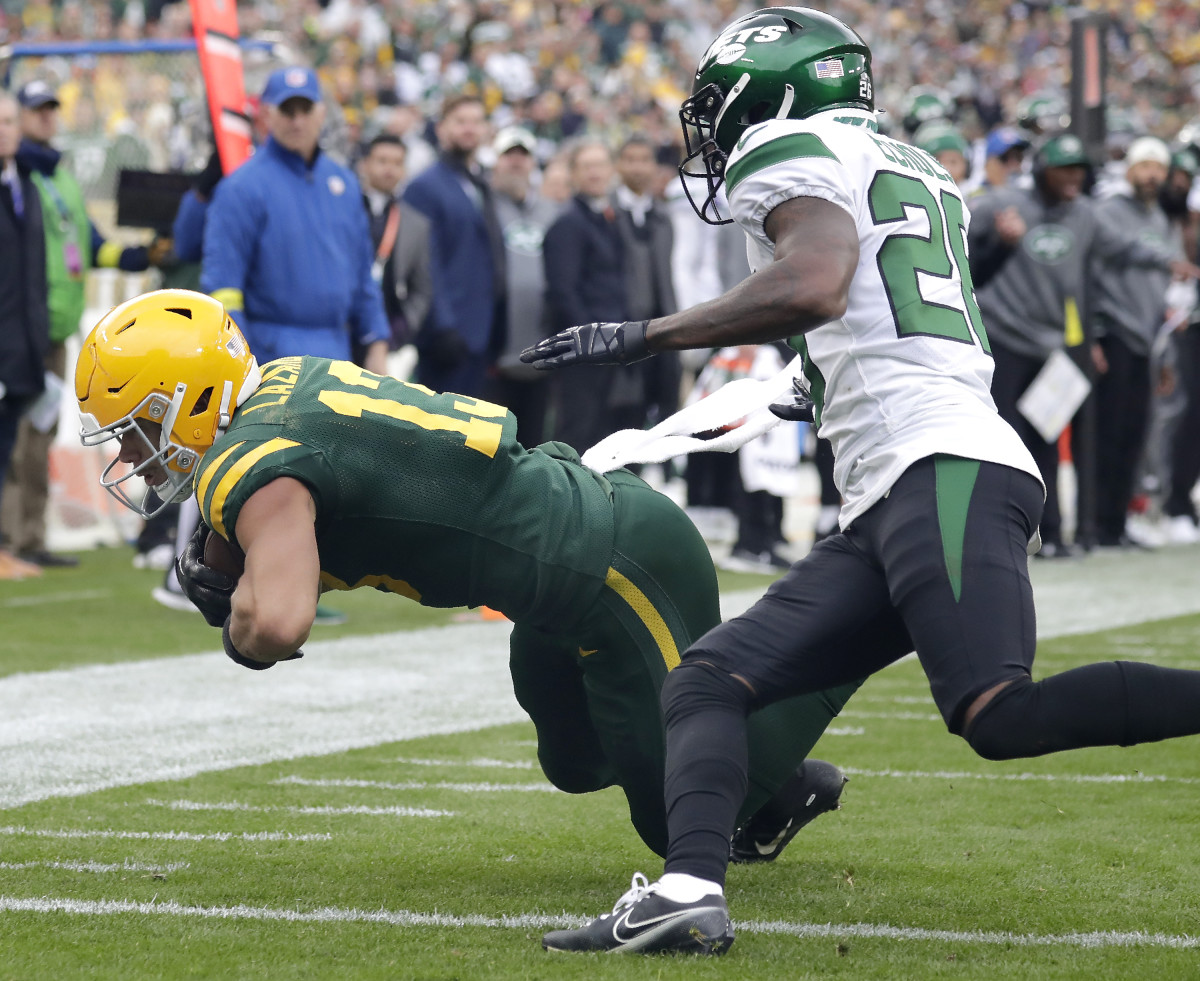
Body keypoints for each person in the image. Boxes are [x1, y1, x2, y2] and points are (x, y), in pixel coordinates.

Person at [522, 6, 1200, 955]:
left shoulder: (789, 149)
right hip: (902, 485)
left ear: (776, 94)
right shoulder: (916, 167)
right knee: (708, 680)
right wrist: (800, 389)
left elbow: (816, 285)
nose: (713, 131)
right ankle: (686, 892)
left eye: (720, 106)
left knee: (997, 710)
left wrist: (642, 335)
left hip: (941, 468)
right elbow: (881, 321)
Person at [74, 287, 861, 866]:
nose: (132, 453)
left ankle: (856, 626)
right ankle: (773, 785)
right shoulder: (282, 385)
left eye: (139, 426)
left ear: (191, 398)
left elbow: (278, 623)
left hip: (609, 564)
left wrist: (237, 629)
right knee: (574, 759)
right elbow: (352, 506)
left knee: (673, 818)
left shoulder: (249, 460)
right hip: (565, 573)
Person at [970, 133, 1199, 556]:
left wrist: (1169, 261)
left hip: (1052, 342)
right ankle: (1005, 536)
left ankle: (1053, 534)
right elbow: (963, 246)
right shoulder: (1002, 204)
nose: (1073, 178)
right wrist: (997, 240)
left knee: (1046, 441)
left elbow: (1124, 247)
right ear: (1043, 170)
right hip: (1004, 338)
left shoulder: (1085, 215)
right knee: (1007, 442)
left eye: (1079, 171)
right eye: (1064, 170)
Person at [1, 80, 158, 569]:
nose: (46, 118)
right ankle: (10, 540)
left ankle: (28, 537)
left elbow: (90, 244)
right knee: (15, 438)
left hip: (53, 328)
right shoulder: (20, 177)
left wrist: (140, 255)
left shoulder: (59, 177)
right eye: (35, 111)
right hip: (20, 325)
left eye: (51, 109)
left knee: (37, 436)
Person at [202, 67, 390, 376]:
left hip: (337, 357)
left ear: (322, 113)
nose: (297, 121)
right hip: (271, 361)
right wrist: (241, 365)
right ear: (267, 114)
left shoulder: (344, 184)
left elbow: (362, 276)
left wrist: (376, 342)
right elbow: (222, 287)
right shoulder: (241, 188)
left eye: (306, 109)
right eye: (287, 110)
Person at [1089, 137, 1178, 548]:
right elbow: (1111, 244)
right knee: (1108, 433)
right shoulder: (1108, 210)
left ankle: (1118, 522)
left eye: (1159, 168)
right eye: (1145, 166)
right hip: (1114, 332)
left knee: (1134, 435)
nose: (1152, 175)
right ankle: (1097, 523)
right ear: (1129, 170)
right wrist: (1164, 259)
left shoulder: (1159, 218)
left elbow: (1164, 287)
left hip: (1147, 338)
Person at [402, 94, 506, 397]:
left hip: (482, 332)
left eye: (476, 122)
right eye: (460, 122)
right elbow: (426, 263)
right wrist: (442, 327)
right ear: (441, 128)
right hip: (446, 339)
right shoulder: (424, 187)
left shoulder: (479, 183)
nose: (469, 129)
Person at [543, 139, 641, 452]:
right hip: (583, 350)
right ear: (573, 174)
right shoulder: (568, 223)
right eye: (587, 166)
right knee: (578, 431)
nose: (595, 173)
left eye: (600, 165)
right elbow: (563, 291)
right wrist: (591, 340)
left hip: (610, 345)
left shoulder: (609, 219)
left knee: (605, 432)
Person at [483, 126, 564, 448]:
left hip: (541, 352)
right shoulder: (483, 206)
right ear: (495, 161)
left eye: (523, 155)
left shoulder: (551, 210)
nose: (516, 162)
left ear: (533, 163)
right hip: (494, 355)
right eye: (508, 155)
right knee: (491, 447)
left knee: (532, 447)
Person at [0, 90, 49, 581]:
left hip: (21, 348)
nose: (5, 130)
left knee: (7, 447)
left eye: (10, 120)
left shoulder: (26, 185)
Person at [357, 133, 434, 364]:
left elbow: (422, 287)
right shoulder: (344, 210)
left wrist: (404, 327)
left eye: (397, 163)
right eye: (382, 161)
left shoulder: (416, 224)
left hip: (389, 335)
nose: (389, 169)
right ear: (365, 165)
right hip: (343, 331)